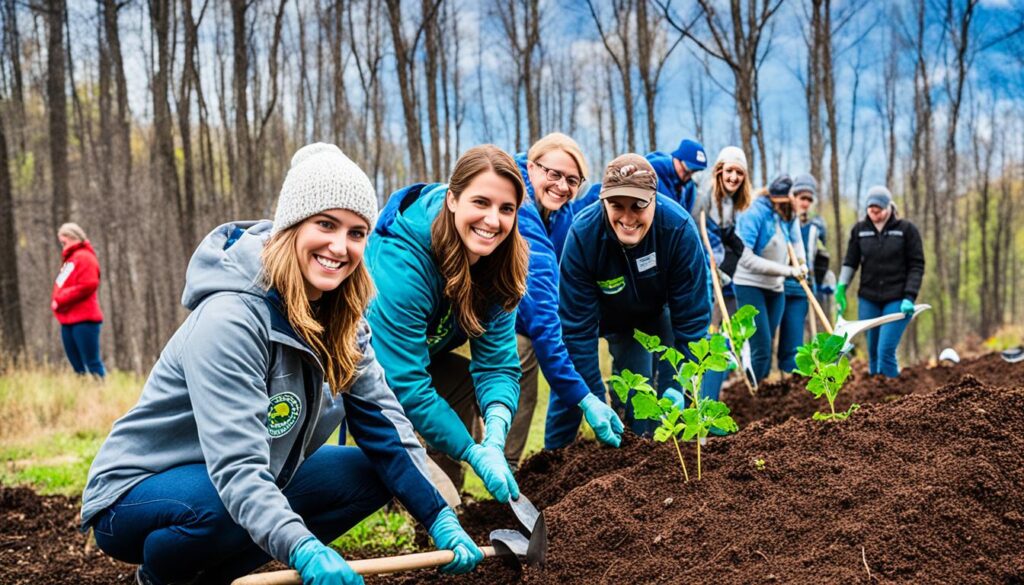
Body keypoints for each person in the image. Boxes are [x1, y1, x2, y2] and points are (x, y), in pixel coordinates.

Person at [79, 144, 482, 585]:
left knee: (375, 474)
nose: (339, 246)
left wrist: (439, 516)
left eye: (356, 232)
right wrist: (304, 548)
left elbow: (384, 424)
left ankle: (210, 577)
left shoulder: (345, 319)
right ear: (292, 225)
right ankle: (158, 578)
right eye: (325, 224)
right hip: (137, 493)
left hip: (251, 476)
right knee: (217, 510)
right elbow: (237, 468)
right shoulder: (231, 318)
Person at [366, 145, 529, 503]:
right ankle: (425, 505)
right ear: (453, 199)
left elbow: (498, 364)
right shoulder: (403, 265)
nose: (492, 220)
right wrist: (472, 452)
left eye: (506, 209)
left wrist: (496, 434)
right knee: (429, 487)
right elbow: (405, 383)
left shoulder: (500, 260)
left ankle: (447, 506)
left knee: (460, 380)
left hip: (420, 358)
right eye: (480, 202)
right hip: (356, 370)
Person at [549, 153, 710, 448]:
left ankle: (637, 453)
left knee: (641, 398)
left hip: (653, 313)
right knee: (568, 394)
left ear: (654, 199)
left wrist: (682, 387)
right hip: (600, 315)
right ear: (602, 202)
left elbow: (692, 324)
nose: (627, 217)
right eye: (616, 205)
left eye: (638, 205)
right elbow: (576, 333)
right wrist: (593, 400)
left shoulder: (678, 231)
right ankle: (551, 466)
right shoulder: (584, 235)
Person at [503, 133, 624, 469]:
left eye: (572, 180)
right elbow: (539, 277)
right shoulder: (518, 207)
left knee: (548, 386)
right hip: (507, 319)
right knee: (519, 393)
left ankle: (547, 465)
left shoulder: (562, 213)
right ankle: (505, 466)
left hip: (536, 318)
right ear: (531, 167)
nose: (561, 186)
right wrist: (587, 399)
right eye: (553, 174)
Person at [837, 186, 925, 377]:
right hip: (868, 298)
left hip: (897, 298)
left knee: (885, 350)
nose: (874, 214)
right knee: (873, 351)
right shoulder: (860, 230)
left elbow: (916, 265)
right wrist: (842, 286)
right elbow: (850, 262)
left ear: (888, 208)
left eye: (878, 210)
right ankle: (876, 398)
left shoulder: (905, 230)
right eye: (871, 210)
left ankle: (894, 396)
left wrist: (910, 296)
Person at [690, 146, 753, 400]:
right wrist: (710, 266)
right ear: (719, 171)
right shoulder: (705, 195)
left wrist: (726, 269)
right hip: (704, 266)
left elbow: (728, 237)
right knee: (707, 334)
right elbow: (696, 231)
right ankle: (698, 397)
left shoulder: (730, 201)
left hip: (721, 271)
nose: (734, 177)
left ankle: (712, 397)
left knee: (721, 336)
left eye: (739, 172)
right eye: (729, 171)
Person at [732, 175, 807, 382]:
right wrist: (788, 271)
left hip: (775, 288)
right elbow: (745, 258)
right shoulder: (754, 213)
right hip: (750, 285)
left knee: (768, 342)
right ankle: (751, 395)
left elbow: (796, 240)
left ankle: (762, 388)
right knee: (762, 347)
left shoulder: (788, 213)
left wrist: (802, 263)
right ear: (779, 198)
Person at [777, 173, 827, 373]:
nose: (805, 203)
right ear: (793, 196)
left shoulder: (816, 227)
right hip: (778, 285)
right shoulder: (780, 220)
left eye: (809, 199)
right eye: (801, 197)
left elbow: (821, 256)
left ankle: (790, 380)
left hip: (801, 288)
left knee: (794, 341)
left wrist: (821, 280)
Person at [575, 138, 709, 213]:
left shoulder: (689, 190)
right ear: (676, 159)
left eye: (694, 172)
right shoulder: (650, 172)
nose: (688, 175)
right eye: (687, 170)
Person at [51, 222, 106, 378]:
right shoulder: (71, 260)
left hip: (85, 320)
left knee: (92, 362)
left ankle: (100, 394)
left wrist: (60, 299)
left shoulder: (85, 257)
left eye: (64, 242)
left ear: (73, 237)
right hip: (68, 320)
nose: (62, 246)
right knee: (77, 366)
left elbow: (89, 284)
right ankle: (83, 396)